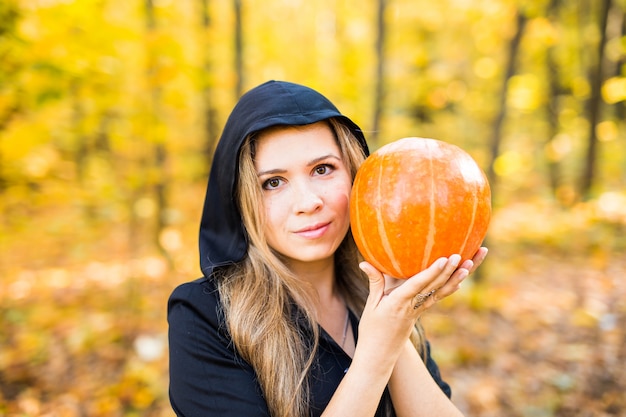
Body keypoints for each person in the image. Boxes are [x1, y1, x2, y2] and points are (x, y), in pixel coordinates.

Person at [167, 80, 488, 417]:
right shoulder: (204, 316)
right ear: (241, 198)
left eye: (323, 169)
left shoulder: (382, 296)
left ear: (356, 175)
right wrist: (377, 352)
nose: (308, 202)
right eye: (273, 183)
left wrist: (394, 318)